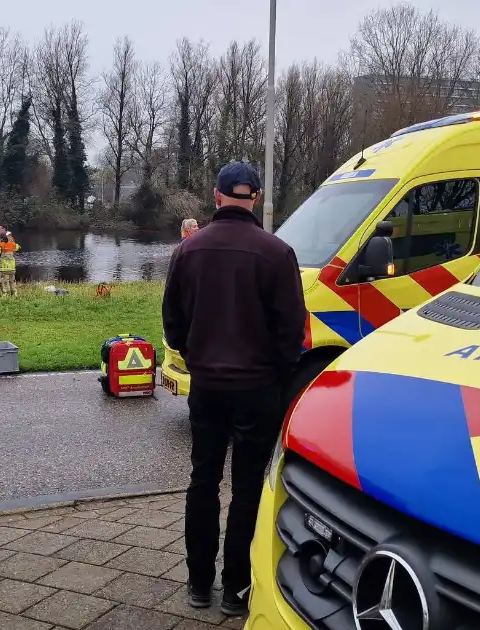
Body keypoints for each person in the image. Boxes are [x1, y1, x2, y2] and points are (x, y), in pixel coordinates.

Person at [162, 161, 306, 616]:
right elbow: (291, 333)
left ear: (216, 196)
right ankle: (235, 590)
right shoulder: (278, 253)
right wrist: (278, 376)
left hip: (207, 386)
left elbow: (173, 324)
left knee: (202, 480)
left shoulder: (189, 251)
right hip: (258, 388)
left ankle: (198, 584)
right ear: (256, 198)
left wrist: (196, 357)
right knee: (247, 489)